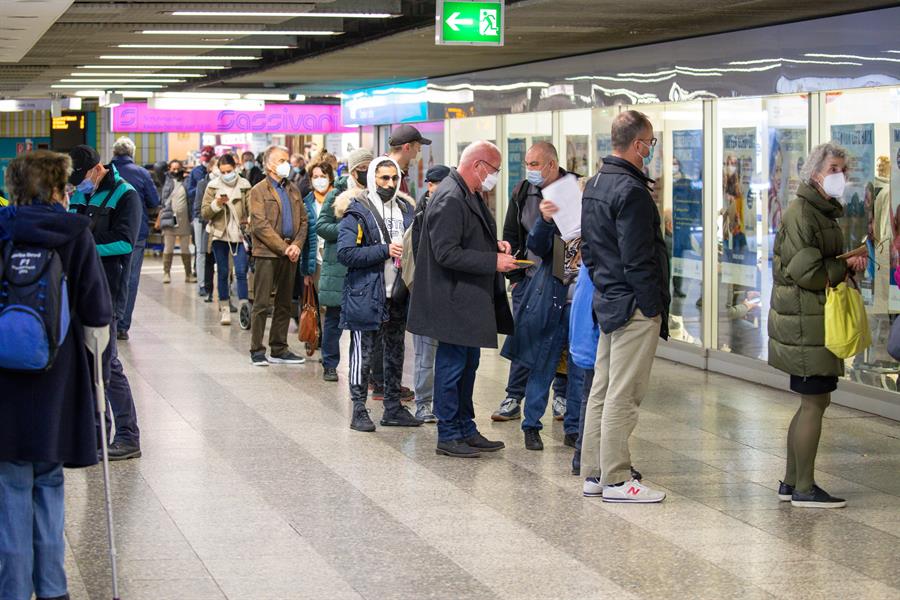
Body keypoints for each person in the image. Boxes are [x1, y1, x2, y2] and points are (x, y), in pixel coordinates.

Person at [0, 150, 113, 600]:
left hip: (4, 380)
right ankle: (52, 588)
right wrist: (99, 375)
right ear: (55, 188)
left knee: (9, 483)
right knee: (48, 479)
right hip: (56, 380)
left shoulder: (2, 232)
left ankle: (11, 589)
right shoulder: (74, 235)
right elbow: (98, 314)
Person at [768, 142, 867, 509]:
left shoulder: (820, 211)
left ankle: (792, 481)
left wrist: (845, 261)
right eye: (835, 168)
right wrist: (844, 266)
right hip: (805, 321)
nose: (842, 176)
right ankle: (805, 489)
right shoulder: (803, 213)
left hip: (809, 319)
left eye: (845, 169)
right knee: (813, 402)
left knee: (813, 401)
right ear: (815, 172)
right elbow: (807, 272)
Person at [580, 110, 670, 503]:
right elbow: (638, 258)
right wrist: (651, 307)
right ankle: (617, 478)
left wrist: (605, 285)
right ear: (637, 145)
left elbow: (587, 249)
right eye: (649, 143)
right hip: (633, 305)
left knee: (602, 388)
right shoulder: (631, 191)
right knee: (624, 393)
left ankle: (594, 473)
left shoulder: (596, 182)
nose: (651, 150)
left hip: (608, 300)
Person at [407, 141, 515, 457]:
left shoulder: (467, 194)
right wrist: (493, 262)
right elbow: (446, 252)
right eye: (493, 170)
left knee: (468, 364)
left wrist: (491, 245)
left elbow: (462, 237)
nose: (494, 177)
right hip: (452, 300)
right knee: (452, 366)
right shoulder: (451, 198)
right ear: (478, 165)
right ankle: (449, 433)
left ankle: (466, 427)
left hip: (466, 300)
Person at [501, 160, 586, 451]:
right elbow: (536, 245)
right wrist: (545, 220)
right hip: (553, 302)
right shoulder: (556, 221)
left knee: (578, 371)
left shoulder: (596, 229)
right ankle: (531, 425)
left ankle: (573, 428)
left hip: (581, 308)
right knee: (542, 366)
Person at [68, 144, 143, 461]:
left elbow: (125, 242)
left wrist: (82, 245)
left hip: (107, 293)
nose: (77, 185)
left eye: (81, 177)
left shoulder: (125, 195)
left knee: (108, 362)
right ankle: (99, 436)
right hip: (79, 289)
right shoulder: (80, 195)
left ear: (96, 168)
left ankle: (128, 436)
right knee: (88, 365)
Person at [338, 157, 420, 431]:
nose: (390, 184)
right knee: (363, 352)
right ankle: (359, 409)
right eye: (384, 178)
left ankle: (393, 407)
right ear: (372, 178)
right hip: (367, 292)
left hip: (398, 293)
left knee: (396, 351)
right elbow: (346, 253)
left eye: (394, 178)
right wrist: (385, 250)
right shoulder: (358, 211)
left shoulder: (407, 210)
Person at [494, 142, 569, 422]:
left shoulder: (572, 189)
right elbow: (511, 232)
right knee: (524, 338)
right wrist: (514, 277)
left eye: (535, 164)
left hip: (563, 281)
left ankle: (561, 396)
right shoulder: (523, 191)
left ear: (551, 164)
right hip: (528, 279)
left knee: (563, 341)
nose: (530, 170)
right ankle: (514, 396)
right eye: (527, 164)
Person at [248, 145, 309, 366]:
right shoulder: (258, 190)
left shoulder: (292, 188)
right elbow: (260, 225)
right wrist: (284, 248)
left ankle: (279, 347)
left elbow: (303, 220)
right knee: (262, 303)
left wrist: (296, 245)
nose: (287, 164)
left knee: (285, 302)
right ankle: (257, 349)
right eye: (282, 160)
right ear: (270, 164)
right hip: (267, 253)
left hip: (291, 252)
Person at [318, 149, 373, 382]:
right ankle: (330, 363)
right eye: (363, 168)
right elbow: (321, 226)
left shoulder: (374, 193)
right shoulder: (336, 194)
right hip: (338, 264)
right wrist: (348, 230)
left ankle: (361, 367)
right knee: (334, 318)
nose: (367, 172)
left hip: (364, 263)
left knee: (362, 319)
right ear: (353, 170)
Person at [409, 165, 451, 423]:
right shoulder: (422, 213)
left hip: (447, 294)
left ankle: (442, 404)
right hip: (426, 292)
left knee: (445, 355)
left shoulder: (451, 209)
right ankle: (423, 403)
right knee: (425, 354)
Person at [111, 136, 160, 341]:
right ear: (132, 153)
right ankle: (122, 326)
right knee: (130, 279)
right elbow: (154, 201)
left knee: (108, 276)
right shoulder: (141, 173)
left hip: (108, 234)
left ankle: (107, 321)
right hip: (135, 234)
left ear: (114, 153)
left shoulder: (104, 171)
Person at [202, 154, 252, 326]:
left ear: (235, 167)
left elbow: (251, 208)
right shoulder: (212, 186)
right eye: (223, 172)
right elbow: (204, 212)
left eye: (229, 171)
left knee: (241, 271)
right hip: (219, 234)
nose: (226, 174)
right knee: (223, 272)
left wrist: (250, 220)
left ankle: (244, 308)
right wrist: (216, 204)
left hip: (239, 234)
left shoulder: (245, 185)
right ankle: (224, 308)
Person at [160, 161, 196, 285]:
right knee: (168, 247)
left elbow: (190, 196)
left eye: (178, 169)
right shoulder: (166, 180)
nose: (175, 171)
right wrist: (167, 172)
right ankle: (166, 273)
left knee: (185, 248)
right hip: (169, 218)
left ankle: (188, 274)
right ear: (169, 169)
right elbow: (158, 167)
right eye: (173, 169)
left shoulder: (186, 181)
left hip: (184, 219)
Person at [193, 156, 218, 301]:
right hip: (203, 223)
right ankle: (202, 284)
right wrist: (206, 218)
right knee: (202, 253)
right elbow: (197, 206)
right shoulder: (203, 184)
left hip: (219, 225)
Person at [388, 124, 431, 199]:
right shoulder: (385, 173)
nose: (419, 153)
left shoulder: (399, 172)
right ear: (407, 147)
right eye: (418, 148)